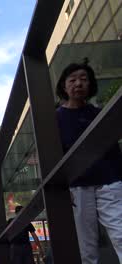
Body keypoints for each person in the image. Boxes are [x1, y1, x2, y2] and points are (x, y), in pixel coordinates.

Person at [55, 62, 122, 263]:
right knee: (86, 248)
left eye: (84, 79)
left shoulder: (99, 113)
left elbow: (113, 149)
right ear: (64, 86)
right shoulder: (55, 118)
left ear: (90, 84)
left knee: (120, 233)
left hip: (109, 181)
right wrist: (61, 187)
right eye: (73, 80)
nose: (78, 83)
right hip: (77, 186)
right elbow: (52, 154)